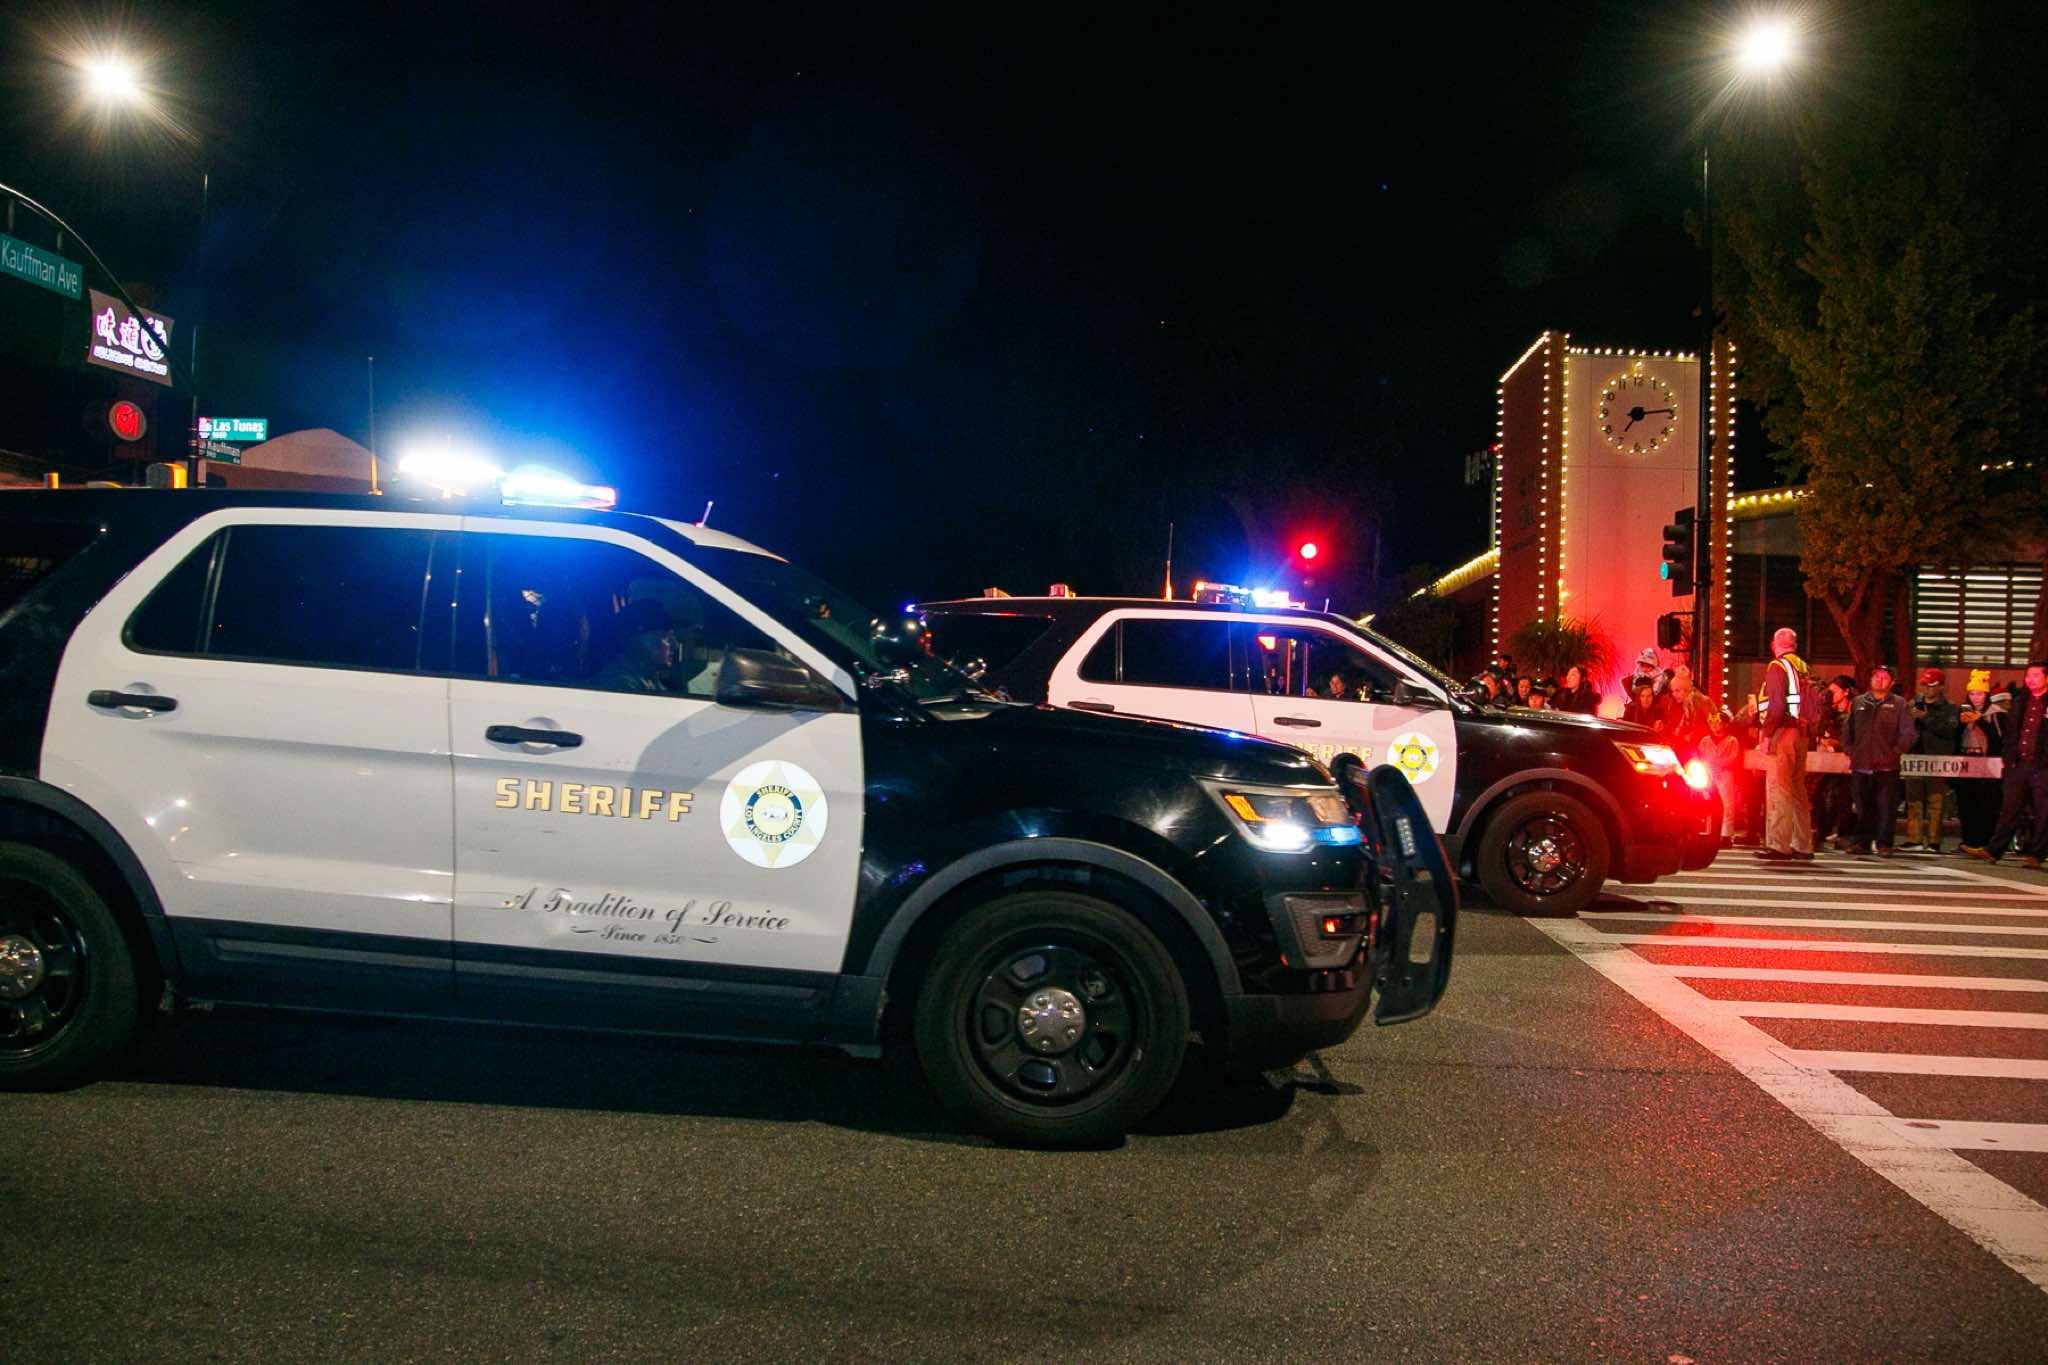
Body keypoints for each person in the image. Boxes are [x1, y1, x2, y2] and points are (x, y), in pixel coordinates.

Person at [1965, 661, 2048, 868]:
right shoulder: (2021, 701)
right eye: (2028, 675)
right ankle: (1993, 850)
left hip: (2043, 765)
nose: (2031, 680)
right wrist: (2009, 757)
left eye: (2036, 675)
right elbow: (2011, 732)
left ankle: (2037, 854)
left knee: (2043, 811)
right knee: (2010, 808)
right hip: (2019, 763)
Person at [1842, 663, 1916, 856]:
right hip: (1861, 765)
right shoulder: (1858, 702)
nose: (1879, 680)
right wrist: (1850, 750)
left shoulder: (1899, 704)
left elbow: (1908, 733)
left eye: (1884, 677)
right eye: (1876, 676)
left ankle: (1884, 843)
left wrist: (1895, 752)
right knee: (1862, 806)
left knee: (1886, 807)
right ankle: (1862, 842)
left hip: (1887, 767)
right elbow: (1848, 729)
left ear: (1891, 683)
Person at [1756, 626, 1814, 861]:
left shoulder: (1778, 666)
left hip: (1783, 733)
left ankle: (1779, 844)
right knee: (1798, 790)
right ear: (1795, 645)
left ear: (1774, 644)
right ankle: (1803, 844)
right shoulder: (1803, 667)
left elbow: (1777, 705)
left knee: (1779, 789)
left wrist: (1767, 735)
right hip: (1802, 733)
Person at [1902, 667, 1961, 852]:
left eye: (1932, 685)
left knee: (1936, 801)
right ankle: (1914, 839)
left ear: (1941, 687)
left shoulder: (1949, 708)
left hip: (1937, 758)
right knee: (1913, 801)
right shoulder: (1913, 704)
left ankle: (1934, 841)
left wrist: (1926, 717)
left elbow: (1949, 731)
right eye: (1924, 685)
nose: (1927, 689)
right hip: (1914, 757)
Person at [1954, 669, 2006, 851]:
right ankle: (1968, 841)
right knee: (1966, 803)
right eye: (1972, 694)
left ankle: (1985, 842)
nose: (1976, 698)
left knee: (1986, 804)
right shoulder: (1963, 711)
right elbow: (1955, 739)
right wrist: (1960, 724)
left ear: (1986, 694)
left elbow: (2000, 739)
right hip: (1966, 760)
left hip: (1987, 763)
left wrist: (1981, 721)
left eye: (1980, 694)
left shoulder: (1996, 713)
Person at [591, 599, 682, 694]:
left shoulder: (648, 679)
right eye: (666, 638)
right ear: (640, 642)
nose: (675, 645)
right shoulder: (620, 685)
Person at [1810, 675, 1857, 848]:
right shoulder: (1829, 713)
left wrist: (1836, 744)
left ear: (1846, 692)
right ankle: (1824, 831)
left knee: (1845, 797)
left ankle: (1844, 833)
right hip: (1831, 764)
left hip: (1850, 763)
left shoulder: (1854, 713)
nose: (1830, 696)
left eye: (1834, 692)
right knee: (1822, 795)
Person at [1699, 709, 1743, 844]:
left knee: (1727, 804)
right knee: (1707, 802)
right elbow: (1700, 755)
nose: (1714, 725)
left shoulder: (1732, 740)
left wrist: (1719, 764)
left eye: (1717, 722)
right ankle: (1709, 831)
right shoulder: (1705, 740)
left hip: (1725, 773)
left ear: (1725, 724)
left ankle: (1726, 834)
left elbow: (1734, 757)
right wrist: (1707, 766)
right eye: (1711, 723)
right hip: (1708, 773)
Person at [1657, 666, 1712, 758]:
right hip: (1678, 748)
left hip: (1699, 750)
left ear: (1686, 690)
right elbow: (1673, 728)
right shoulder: (1672, 704)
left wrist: (1694, 735)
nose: (1674, 694)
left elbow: (1714, 725)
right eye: (1673, 691)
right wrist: (1663, 727)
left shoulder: (1703, 702)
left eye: (1677, 691)